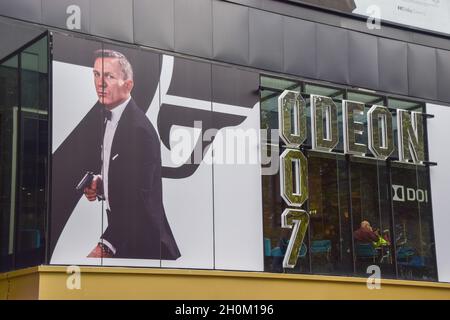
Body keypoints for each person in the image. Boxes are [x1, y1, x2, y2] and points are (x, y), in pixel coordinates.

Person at [83, 49, 180, 260]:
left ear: (128, 85)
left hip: (143, 248)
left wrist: (106, 246)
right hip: (125, 241)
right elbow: (126, 178)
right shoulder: (111, 119)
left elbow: (138, 198)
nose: (100, 83)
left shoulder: (138, 130)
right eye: (97, 74)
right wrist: (101, 185)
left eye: (109, 76)